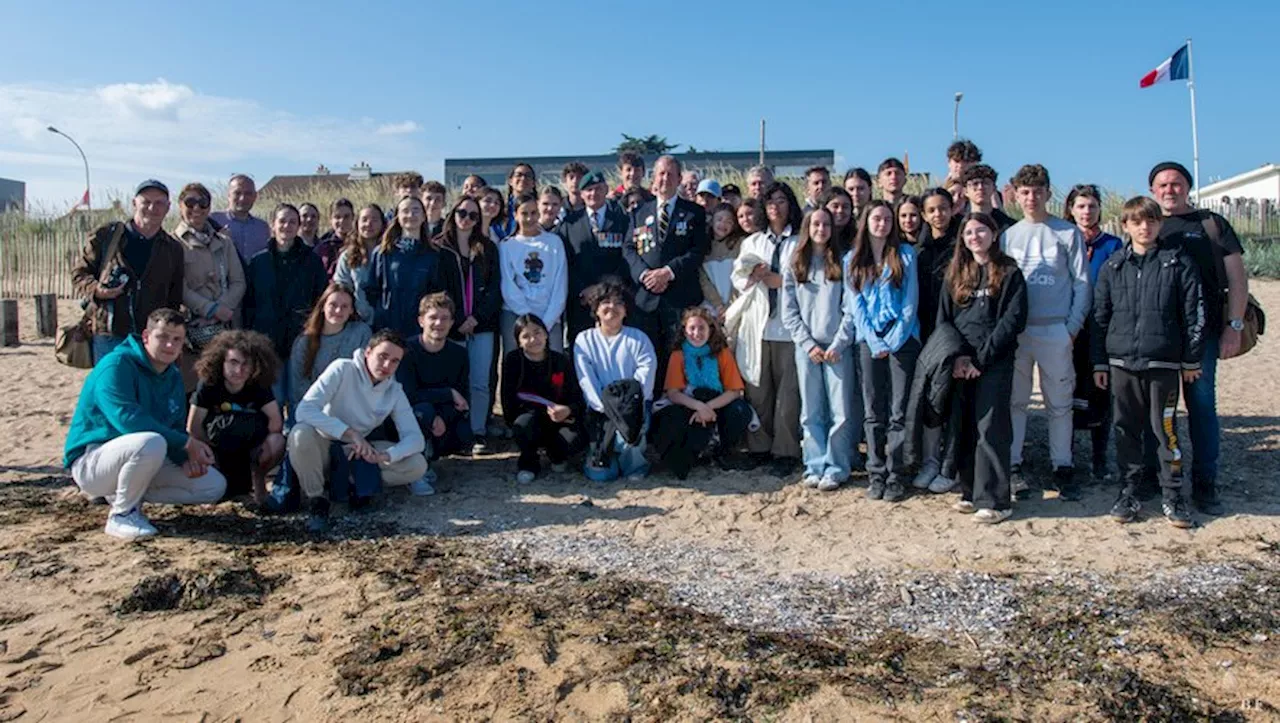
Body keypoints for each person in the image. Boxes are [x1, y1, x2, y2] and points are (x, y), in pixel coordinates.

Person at [64, 309, 225, 540]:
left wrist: (183, 457)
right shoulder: (116, 365)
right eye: (163, 337)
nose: (169, 345)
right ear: (146, 336)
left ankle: (127, 493)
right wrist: (187, 443)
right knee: (150, 440)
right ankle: (122, 514)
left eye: (177, 339)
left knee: (213, 485)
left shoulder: (172, 376)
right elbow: (127, 419)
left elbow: (175, 425)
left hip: (145, 455)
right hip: (93, 460)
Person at [1092, 196, 1204, 528]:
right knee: (1125, 428)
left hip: (1164, 363)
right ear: (1125, 225)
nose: (1145, 227)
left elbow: (1193, 312)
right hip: (1121, 362)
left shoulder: (1177, 263)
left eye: (1151, 221)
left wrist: (1191, 359)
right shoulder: (1113, 266)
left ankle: (1172, 494)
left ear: (1159, 224)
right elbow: (1099, 318)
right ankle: (1128, 491)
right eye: (1137, 221)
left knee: (1165, 429)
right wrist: (1099, 363)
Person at [1149, 160, 1249, 516]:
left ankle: (1205, 482)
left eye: (1176, 183)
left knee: (1202, 408)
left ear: (1187, 187)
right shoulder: (1152, 225)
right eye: (1162, 185)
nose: (1169, 190)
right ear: (1152, 191)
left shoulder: (1211, 224)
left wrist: (1233, 327)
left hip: (1203, 335)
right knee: (1159, 410)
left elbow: (1237, 278)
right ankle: (1159, 479)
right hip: (1159, 336)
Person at [1000, 164, 1090, 501]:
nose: (1031, 197)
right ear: (1016, 195)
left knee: (1060, 403)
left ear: (1048, 194)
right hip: (1021, 333)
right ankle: (1014, 465)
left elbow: (1082, 284)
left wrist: (1071, 328)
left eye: (1037, 191)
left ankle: (1062, 466)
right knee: (1017, 401)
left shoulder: (1067, 233)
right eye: (1025, 191)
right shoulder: (1009, 236)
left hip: (1056, 330)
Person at [290, 330, 428, 533]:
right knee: (300, 434)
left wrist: (385, 455)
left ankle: (351, 484)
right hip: (325, 443)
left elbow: (415, 438)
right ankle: (317, 500)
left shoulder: (394, 391)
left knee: (417, 464)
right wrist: (349, 433)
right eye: (382, 356)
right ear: (368, 352)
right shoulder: (342, 369)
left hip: (359, 451)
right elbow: (305, 409)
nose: (387, 365)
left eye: (394, 361)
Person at [939, 213, 1029, 524]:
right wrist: (958, 359)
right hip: (961, 364)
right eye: (968, 233)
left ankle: (996, 500)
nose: (974, 237)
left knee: (991, 429)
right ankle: (970, 492)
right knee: (963, 428)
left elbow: (1012, 321)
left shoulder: (1008, 272)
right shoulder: (956, 274)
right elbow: (945, 321)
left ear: (993, 234)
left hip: (994, 363)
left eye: (980, 231)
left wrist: (981, 360)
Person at [846, 200, 920, 502]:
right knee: (873, 409)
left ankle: (896, 474)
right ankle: (875, 472)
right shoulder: (852, 258)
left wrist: (895, 339)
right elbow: (856, 305)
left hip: (902, 341)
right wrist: (875, 341)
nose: (883, 223)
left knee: (898, 411)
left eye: (888, 219)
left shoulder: (905, 255)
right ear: (867, 222)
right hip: (869, 341)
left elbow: (910, 302)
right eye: (877, 218)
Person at [732, 181, 804, 476]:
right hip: (757, 325)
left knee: (788, 395)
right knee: (758, 391)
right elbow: (737, 278)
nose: (775, 205)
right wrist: (753, 276)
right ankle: (759, 447)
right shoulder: (753, 242)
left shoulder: (801, 241)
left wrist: (780, 281)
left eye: (781, 200)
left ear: (790, 205)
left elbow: (808, 279)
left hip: (787, 327)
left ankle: (785, 451)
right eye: (769, 201)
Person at [782, 207, 856, 490]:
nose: (821, 229)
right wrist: (807, 343)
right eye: (815, 224)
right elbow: (789, 312)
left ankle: (837, 467)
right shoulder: (795, 263)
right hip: (807, 348)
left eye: (826, 224)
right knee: (811, 411)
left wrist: (839, 343)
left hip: (838, 347)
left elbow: (850, 308)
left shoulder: (843, 261)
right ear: (807, 227)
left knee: (840, 411)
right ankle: (814, 465)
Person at [72, 179, 185, 363]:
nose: (152, 208)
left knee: (147, 390)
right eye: (146, 202)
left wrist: (169, 333)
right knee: (112, 388)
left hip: (152, 336)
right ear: (134, 204)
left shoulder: (172, 248)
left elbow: (174, 297)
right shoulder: (107, 236)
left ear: (167, 208)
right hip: (110, 331)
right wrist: (97, 290)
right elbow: (79, 273)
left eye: (159, 203)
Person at [623, 155, 710, 383]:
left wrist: (667, 272)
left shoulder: (695, 213)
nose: (665, 179)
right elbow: (629, 249)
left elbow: (697, 251)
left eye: (671, 174)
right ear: (653, 177)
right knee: (648, 361)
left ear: (680, 179)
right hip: (646, 301)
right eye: (661, 173)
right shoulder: (639, 212)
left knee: (679, 361)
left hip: (680, 298)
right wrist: (645, 275)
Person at [1063, 184, 1124, 483]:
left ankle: (1100, 458)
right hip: (1069, 329)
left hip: (1102, 329)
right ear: (1071, 209)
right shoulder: (1062, 240)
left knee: (1101, 391)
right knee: (1068, 391)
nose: (1087, 212)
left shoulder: (1113, 246)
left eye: (1092, 206)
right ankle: (1067, 456)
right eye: (1081, 206)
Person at [243, 203, 328, 410]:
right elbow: (248, 303)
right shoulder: (258, 262)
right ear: (273, 225)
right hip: (267, 340)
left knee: (299, 397)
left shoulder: (312, 261)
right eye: (282, 221)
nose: (287, 226)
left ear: (299, 226)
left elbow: (321, 300)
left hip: (301, 339)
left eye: (292, 222)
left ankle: (298, 440)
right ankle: (276, 440)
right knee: (274, 398)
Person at [653, 307, 754, 479]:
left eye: (702, 328)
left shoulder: (721, 353)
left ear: (710, 330)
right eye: (692, 328)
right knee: (671, 418)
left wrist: (708, 408)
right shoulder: (678, 355)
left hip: (717, 402)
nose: (697, 333)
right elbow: (673, 393)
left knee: (740, 411)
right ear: (684, 331)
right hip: (689, 402)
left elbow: (735, 391)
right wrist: (699, 407)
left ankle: (724, 451)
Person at [435, 196, 502, 453]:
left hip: (481, 326)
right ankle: (454, 432)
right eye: (462, 212)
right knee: (452, 381)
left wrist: (477, 318)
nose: (467, 219)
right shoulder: (439, 248)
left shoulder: (487, 248)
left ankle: (477, 431)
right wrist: (457, 320)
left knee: (480, 382)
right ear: (453, 213)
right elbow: (437, 289)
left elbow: (495, 289)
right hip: (450, 326)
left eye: (474, 215)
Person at [188, 330, 285, 504]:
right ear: (221, 361)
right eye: (233, 362)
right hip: (218, 444)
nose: (239, 370)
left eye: (246, 364)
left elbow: (275, 421)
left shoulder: (259, 383)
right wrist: (209, 452)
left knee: (277, 441)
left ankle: (259, 479)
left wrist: (258, 447)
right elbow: (194, 427)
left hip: (252, 442)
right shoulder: (209, 383)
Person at [573, 280, 657, 482]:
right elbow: (587, 380)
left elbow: (645, 377)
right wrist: (605, 407)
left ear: (626, 310)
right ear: (596, 310)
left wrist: (626, 407)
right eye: (605, 303)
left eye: (619, 303)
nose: (612, 307)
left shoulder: (639, 339)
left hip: (632, 408)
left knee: (629, 437)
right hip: (600, 410)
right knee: (601, 475)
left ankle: (635, 464)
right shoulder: (584, 340)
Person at [500, 313, 585, 483]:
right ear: (519, 341)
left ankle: (556, 455)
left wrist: (568, 410)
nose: (533, 339)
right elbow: (507, 399)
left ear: (546, 334)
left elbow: (576, 397)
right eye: (526, 336)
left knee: (575, 438)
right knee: (523, 426)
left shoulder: (561, 361)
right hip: (530, 417)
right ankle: (528, 463)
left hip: (559, 419)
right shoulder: (513, 361)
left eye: (537, 332)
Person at [399, 293, 473, 480]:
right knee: (422, 413)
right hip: (413, 411)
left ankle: (432, 454)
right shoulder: (406, 351)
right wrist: (448, 393)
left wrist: (442, 416)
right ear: (421, 321)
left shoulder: (459, 354)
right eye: (433, 317)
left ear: (451, 322)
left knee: (464, 434)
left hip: (443, 411)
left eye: (444, 318)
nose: (439, 324)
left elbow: (462, 399)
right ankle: (418, 464)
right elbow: (408, 395)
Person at [557, 170, 631, 345]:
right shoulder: (569, 223)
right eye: (588, 190)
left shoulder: (623, 220)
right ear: (581, 194)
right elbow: (566, 263)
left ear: (606, 190)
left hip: (614, 300)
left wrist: (606, 290)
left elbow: (626, 257)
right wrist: (583, 290)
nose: (594, 194)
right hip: (581, 301)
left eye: (598, 189)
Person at [173, 182, 245, 350]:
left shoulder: (224, 242)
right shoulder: (173, 244)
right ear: (180, 206)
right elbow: (178, 287)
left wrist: (221, 310)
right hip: (191, 328)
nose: (197, 208)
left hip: (224, 327)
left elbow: (238, 282)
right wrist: (210, 310)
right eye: (190, 202)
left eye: (203, 202)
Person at [367, 195, 448, 339]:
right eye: (405, 210)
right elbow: (372, 290)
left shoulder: (434, 255)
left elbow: (437, 293)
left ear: (424, 216)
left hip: (421, 330)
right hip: (387, 326)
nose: (410, 215)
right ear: (397, 216)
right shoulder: (383, 252)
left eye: (416, 210)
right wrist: (381, 313)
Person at [500, 192, 569, 357]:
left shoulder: (554, 242)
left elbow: (560, 283)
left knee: (554, 365)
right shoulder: (507, 246)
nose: (529, 218)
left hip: (550, 315)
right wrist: (529, 322)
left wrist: (545, 323)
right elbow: (508, 285)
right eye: (524, 213)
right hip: (516, 314)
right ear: (515, 216)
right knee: (516, 365)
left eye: (533, 213)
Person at [289, 284, 372, 413]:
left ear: (351, 310)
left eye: (345, 306)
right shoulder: (305, 342)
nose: (338, 311)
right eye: (333, 305)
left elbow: (365, 377)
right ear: (323, 306)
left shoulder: (361, 333)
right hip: (314, 411)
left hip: (351, 410)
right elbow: (299, 386)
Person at [333, 203, 385, 322]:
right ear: (357, 224)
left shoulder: (391, 254)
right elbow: (342, 288)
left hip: (388, 320)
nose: (369, 224)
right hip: (358, 321)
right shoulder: (347, 256)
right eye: (364, 220)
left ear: (382, 224)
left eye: (375, 220)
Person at [211, 174, 271, 263]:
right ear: (228, 195)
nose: (242, 198)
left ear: (255, 197)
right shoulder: (213, 221)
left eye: (248, 193)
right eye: (237, 193)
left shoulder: (262, 228)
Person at [701, 205, 747, 317]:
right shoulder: (703, 246)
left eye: (729, 221)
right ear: (712, 222)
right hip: (711, 306)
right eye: (719, 219)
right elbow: (703, 279)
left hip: (737, 303)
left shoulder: (741, 244)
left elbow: (741, 274)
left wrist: (732, 304)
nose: (723, 224)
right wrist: (718, 305)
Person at [963, 165, 1017, 235]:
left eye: (986, 183)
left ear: (994, 188)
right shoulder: (959, 226)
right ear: (965, 191)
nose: (980, 187)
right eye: (975, 184)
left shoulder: (1010, 226)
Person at [315, 198, 355, 279]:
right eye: (337, 217)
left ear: (353, 217)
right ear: (330, 220)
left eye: (346, 216)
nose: (342, 220)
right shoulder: (322, 248)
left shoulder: (361, 244)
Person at [504, 163, 538, 237]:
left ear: (533, 183)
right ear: (510, 181)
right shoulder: (501, 208)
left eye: (528, 175)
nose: (523, 178)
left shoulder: (540, 207)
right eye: (518, 175)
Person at [821, 187, 856, 257]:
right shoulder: (818, 235)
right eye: (835, 206)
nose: (840, 210)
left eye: (845, 207)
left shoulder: (857, 239)